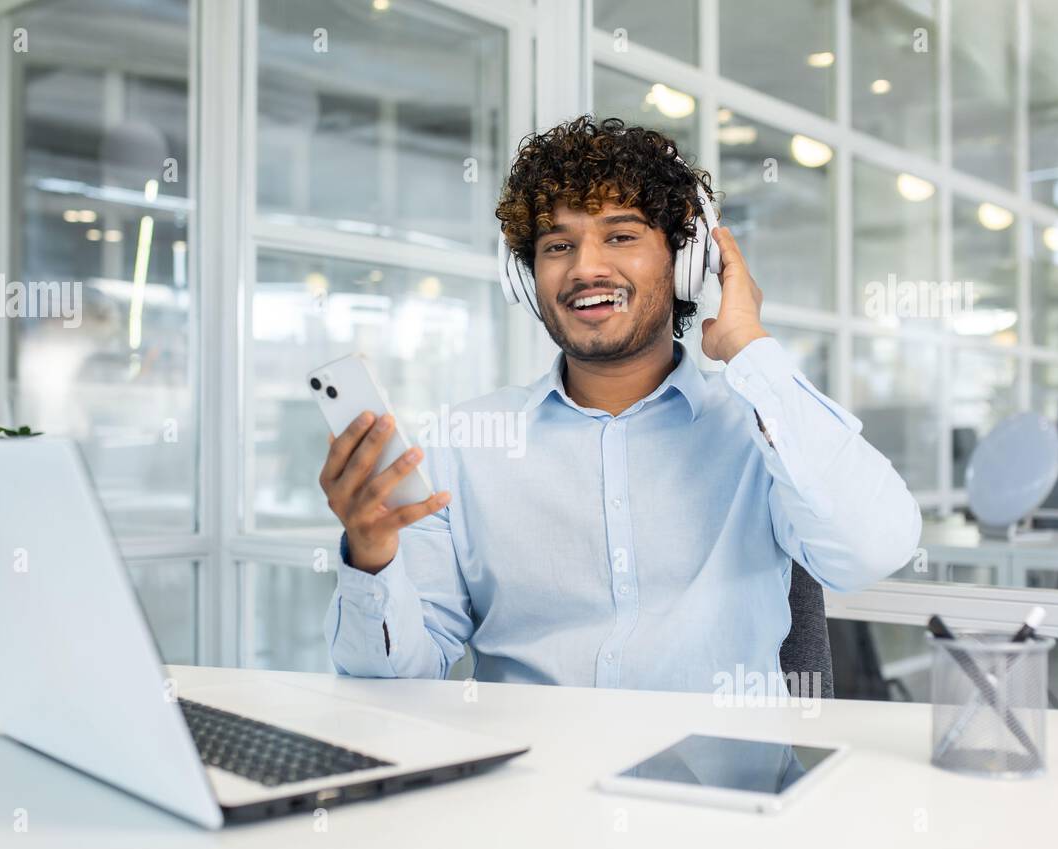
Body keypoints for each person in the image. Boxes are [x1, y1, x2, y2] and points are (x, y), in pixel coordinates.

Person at [318, 115, 921, 693]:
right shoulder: (465, 443)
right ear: (527, 278)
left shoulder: (762, 429)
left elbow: (873, 549)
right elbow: (396, 681)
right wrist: (371, 556)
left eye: (622, 236)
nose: (586, 268)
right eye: (558, 246)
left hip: (725, 791)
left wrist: (749, 348)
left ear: (686, 264)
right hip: (532, 790)